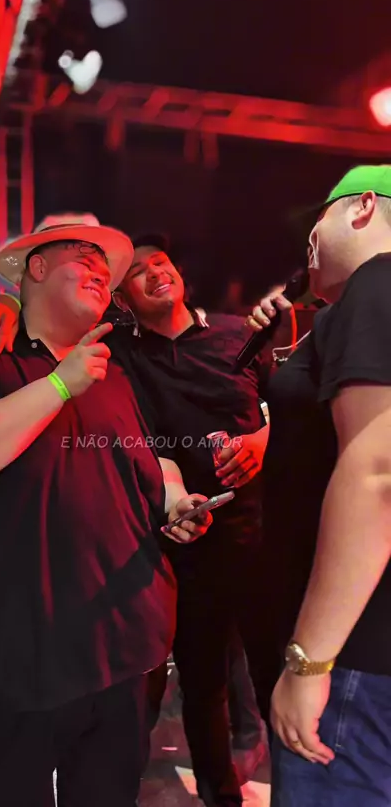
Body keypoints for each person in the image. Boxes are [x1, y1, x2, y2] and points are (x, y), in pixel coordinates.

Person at [0, 214, 213, 807]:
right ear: (37, 267)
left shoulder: (113, 373)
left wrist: (175, 500)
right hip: (12, 665)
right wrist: (56, 386)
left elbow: (148, 459)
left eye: (107, 268)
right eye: (83, 256)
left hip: (125, 653)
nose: (101, 271)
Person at [0, 227, 272, 806]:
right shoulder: (121, 352)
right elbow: (52, 308)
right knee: (174, 685)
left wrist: (261, 439)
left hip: (252, 539)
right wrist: (5, 301)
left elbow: (282, 405)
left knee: (263, 674)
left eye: (163, 262)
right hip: (166, 547)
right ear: (120, 298)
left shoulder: (237, 333)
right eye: (137, 271)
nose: (156, 272)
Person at [248, 164, 391, 806]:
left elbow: (378, 475)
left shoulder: (379, 281)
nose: (310, 236)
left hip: (355, 660)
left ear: (363, 207)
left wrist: (310, 662)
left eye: (321, 217)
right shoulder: (352, 307)